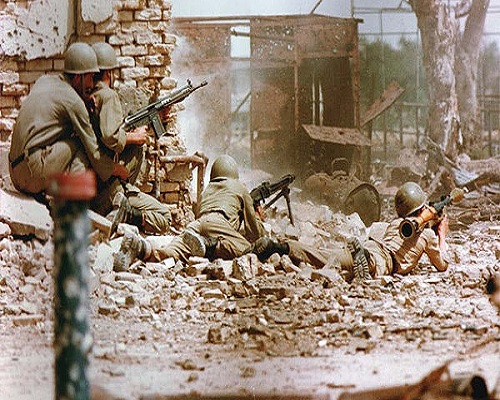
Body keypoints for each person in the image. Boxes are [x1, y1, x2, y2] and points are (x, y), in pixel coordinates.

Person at [113, 155, 327, 272]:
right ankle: (208, 246)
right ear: (234, 173)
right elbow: (257, 234)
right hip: (218, 225)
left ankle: (141, 248)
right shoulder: (240, 188)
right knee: (249, 251)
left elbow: (203, 215)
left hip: (197, 225)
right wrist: (258, 217)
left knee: (174, 252)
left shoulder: (208, 190)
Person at [9, 42, 126, 201]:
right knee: (81, 143)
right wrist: (116, 169)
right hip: (30, 175)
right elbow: (94, 153)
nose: (92, 84)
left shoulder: (44, 80)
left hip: (15, 171)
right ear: (78, 77)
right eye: (90, 77)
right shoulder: (73, 102)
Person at [88, 42, 171, 235]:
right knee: (165, 217)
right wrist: (135, 137)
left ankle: (121, 212)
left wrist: (150, 123)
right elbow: (110, 136)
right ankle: (128, 214)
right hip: (109, 189)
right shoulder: (108, 96)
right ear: (109, 72)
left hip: (96, 186)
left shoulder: (91, 97)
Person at [332, 181, 450, 282]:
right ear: (422, 209)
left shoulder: (395, 223)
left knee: (332, 259)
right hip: (386, 260)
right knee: (374, 263)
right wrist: (441, 234)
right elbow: (442, 266)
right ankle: (366, 259)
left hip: (374, 246)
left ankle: (358, 256)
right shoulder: (427, 235)